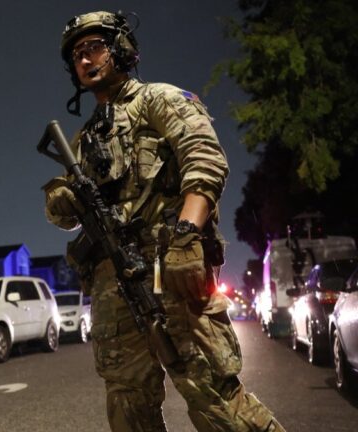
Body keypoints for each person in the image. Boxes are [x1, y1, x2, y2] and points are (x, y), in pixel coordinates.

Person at [43, 11, 285, 432]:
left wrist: (186, 235)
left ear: (119, 48)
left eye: (93, 47)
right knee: (127, 405)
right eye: (76, 55)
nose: (84, 60)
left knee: (214, 398)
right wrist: (63, 197)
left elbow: (205, 162)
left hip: (168, 270)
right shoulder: (83, 139)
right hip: (113, 289)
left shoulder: (160, 100)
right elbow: (60, 216)